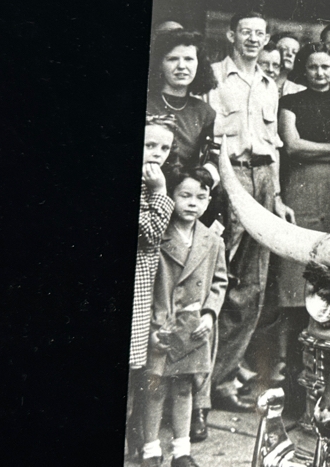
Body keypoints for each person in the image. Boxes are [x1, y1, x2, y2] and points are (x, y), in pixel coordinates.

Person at [205, 11, 295, 416]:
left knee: (253, 287)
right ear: (231, 35)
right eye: (246, 32)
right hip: (229, 178)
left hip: (261, 180)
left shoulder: (268, 84)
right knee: (217, 280)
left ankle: (221, 383)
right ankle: (197, 386)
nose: (253, 39)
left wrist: (276, 196)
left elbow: (272, 146)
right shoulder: (214, 78)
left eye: (260, 33)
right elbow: (210, 139)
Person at [276, 43, 330, 417]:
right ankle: (294, 384)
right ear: (304, 69)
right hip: (301, 188)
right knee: (297, 278)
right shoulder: (290, 102)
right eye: (313, 67)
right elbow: (292, 147)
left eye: (326, 66)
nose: (320, 72)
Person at [141, 167, 228, 467]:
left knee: (183, 388)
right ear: (171, 196)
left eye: (201, 197)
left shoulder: (212, 240)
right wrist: (151, 328)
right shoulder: (157, 236)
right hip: (162, 324)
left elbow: (218, 283)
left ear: (208, 201)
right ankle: (150, 449)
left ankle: (181, 451)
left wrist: (209, 315)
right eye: (185, 195)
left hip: (193, 329)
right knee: (154, 388)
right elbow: (147, 284)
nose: (193, 203)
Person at [127, 115, 177, 459]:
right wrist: (160, 192)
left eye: (165, 148)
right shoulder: (150, 187)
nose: (157, 153)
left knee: (135, 371)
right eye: (150, 145)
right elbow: (151, 232)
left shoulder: (151, 184)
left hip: (142, 291)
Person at [146, 30, 219, 184]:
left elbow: (211, 158)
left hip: (185, 190)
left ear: (199, 64)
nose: (181, 66)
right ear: (159, 64)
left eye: (189, 59)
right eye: (172, 59)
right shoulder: (148, 103)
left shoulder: (205, 112)